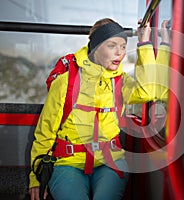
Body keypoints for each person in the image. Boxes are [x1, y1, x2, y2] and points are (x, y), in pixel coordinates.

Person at [29, 18, 160, 200]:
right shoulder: (66, 82)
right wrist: (36, 179)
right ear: (96, 47)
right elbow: (45, 133)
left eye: (123, 46)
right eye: (112, 45)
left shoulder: (120, 82)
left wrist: (144, 43)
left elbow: (149, 90)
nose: (119, 53)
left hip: (110, 161)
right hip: (68, 163)